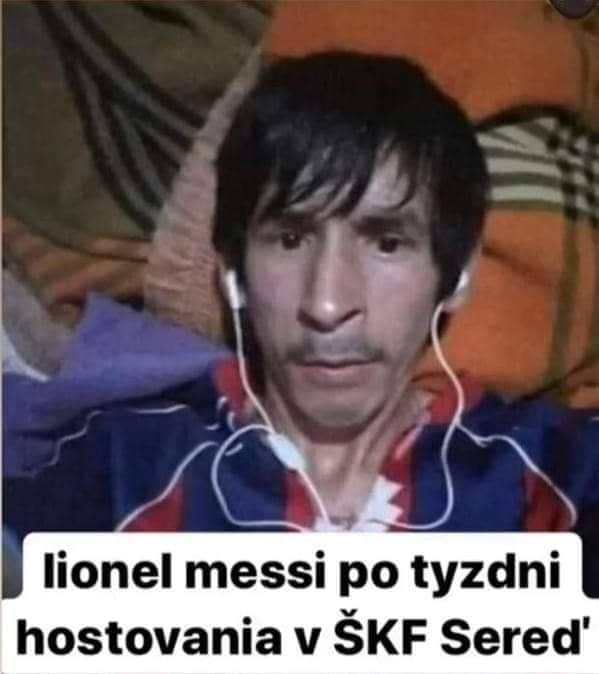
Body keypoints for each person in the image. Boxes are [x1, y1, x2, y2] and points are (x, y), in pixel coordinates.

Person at [4, 53, 598, 594]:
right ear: (233, 268)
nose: (328, 304)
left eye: (386, 243)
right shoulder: (130, 465)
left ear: (456, 274)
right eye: (289, 239)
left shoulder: (552, 472)